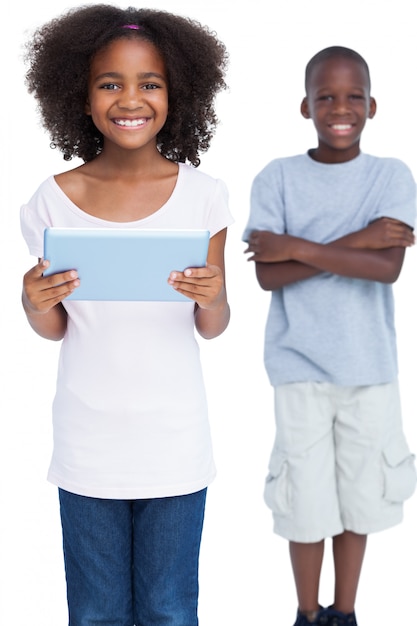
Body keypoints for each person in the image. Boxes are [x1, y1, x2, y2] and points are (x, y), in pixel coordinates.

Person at [20, 5, 232, 625]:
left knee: (170, 609)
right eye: (109, 83)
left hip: (175, 442)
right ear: (80, 99)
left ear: (178, 95)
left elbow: (213, 324)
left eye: (150, 83)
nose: (129, 98)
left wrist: (213, 296)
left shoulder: (204, 196)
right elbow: (56, 326)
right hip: (87, 443)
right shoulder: (53, 200)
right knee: (93, 613)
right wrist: (33, 304)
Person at [243, 46, 416, 626]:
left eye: (352, 97)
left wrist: (298, 246)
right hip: (299, 368)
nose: (340, 108)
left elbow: (387, 268)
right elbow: (269, 275)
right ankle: (307, 613)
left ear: (372, 105)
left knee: (359, 501)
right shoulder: (279, 177)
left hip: (368, 368)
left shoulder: (391, 175)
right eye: (325, 97)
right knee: (306, 503)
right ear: (305, 106)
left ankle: (346, 612)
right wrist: (359, 239)